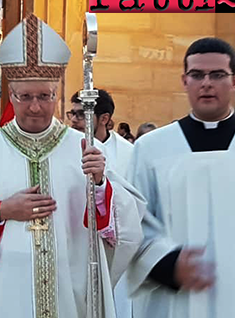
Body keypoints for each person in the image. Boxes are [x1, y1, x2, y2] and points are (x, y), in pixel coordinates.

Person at [0, 14, 145, 318]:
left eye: (44, 96)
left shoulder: (84, 150)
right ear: (11, 98)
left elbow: (128, 226)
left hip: (70, 289)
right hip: (3, 291)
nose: (34, 106)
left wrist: (100, 185)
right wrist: (1, 210)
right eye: (25, 96)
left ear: (56, 96)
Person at [127, 37, 235, 318]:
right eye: (197, 75)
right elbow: (133, 223)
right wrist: (167, 264)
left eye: (217, 75)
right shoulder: (151, 149)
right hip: (175, 302)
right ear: (184, 80)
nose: (207, 83)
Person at [68, 89, 134, 318]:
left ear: (104, 119)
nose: (74, 121)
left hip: (118, 256)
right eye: (72, 114)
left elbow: (137, 206)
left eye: (80, 115)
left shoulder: (130, 155)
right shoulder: (65, 148)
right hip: (77, 250)